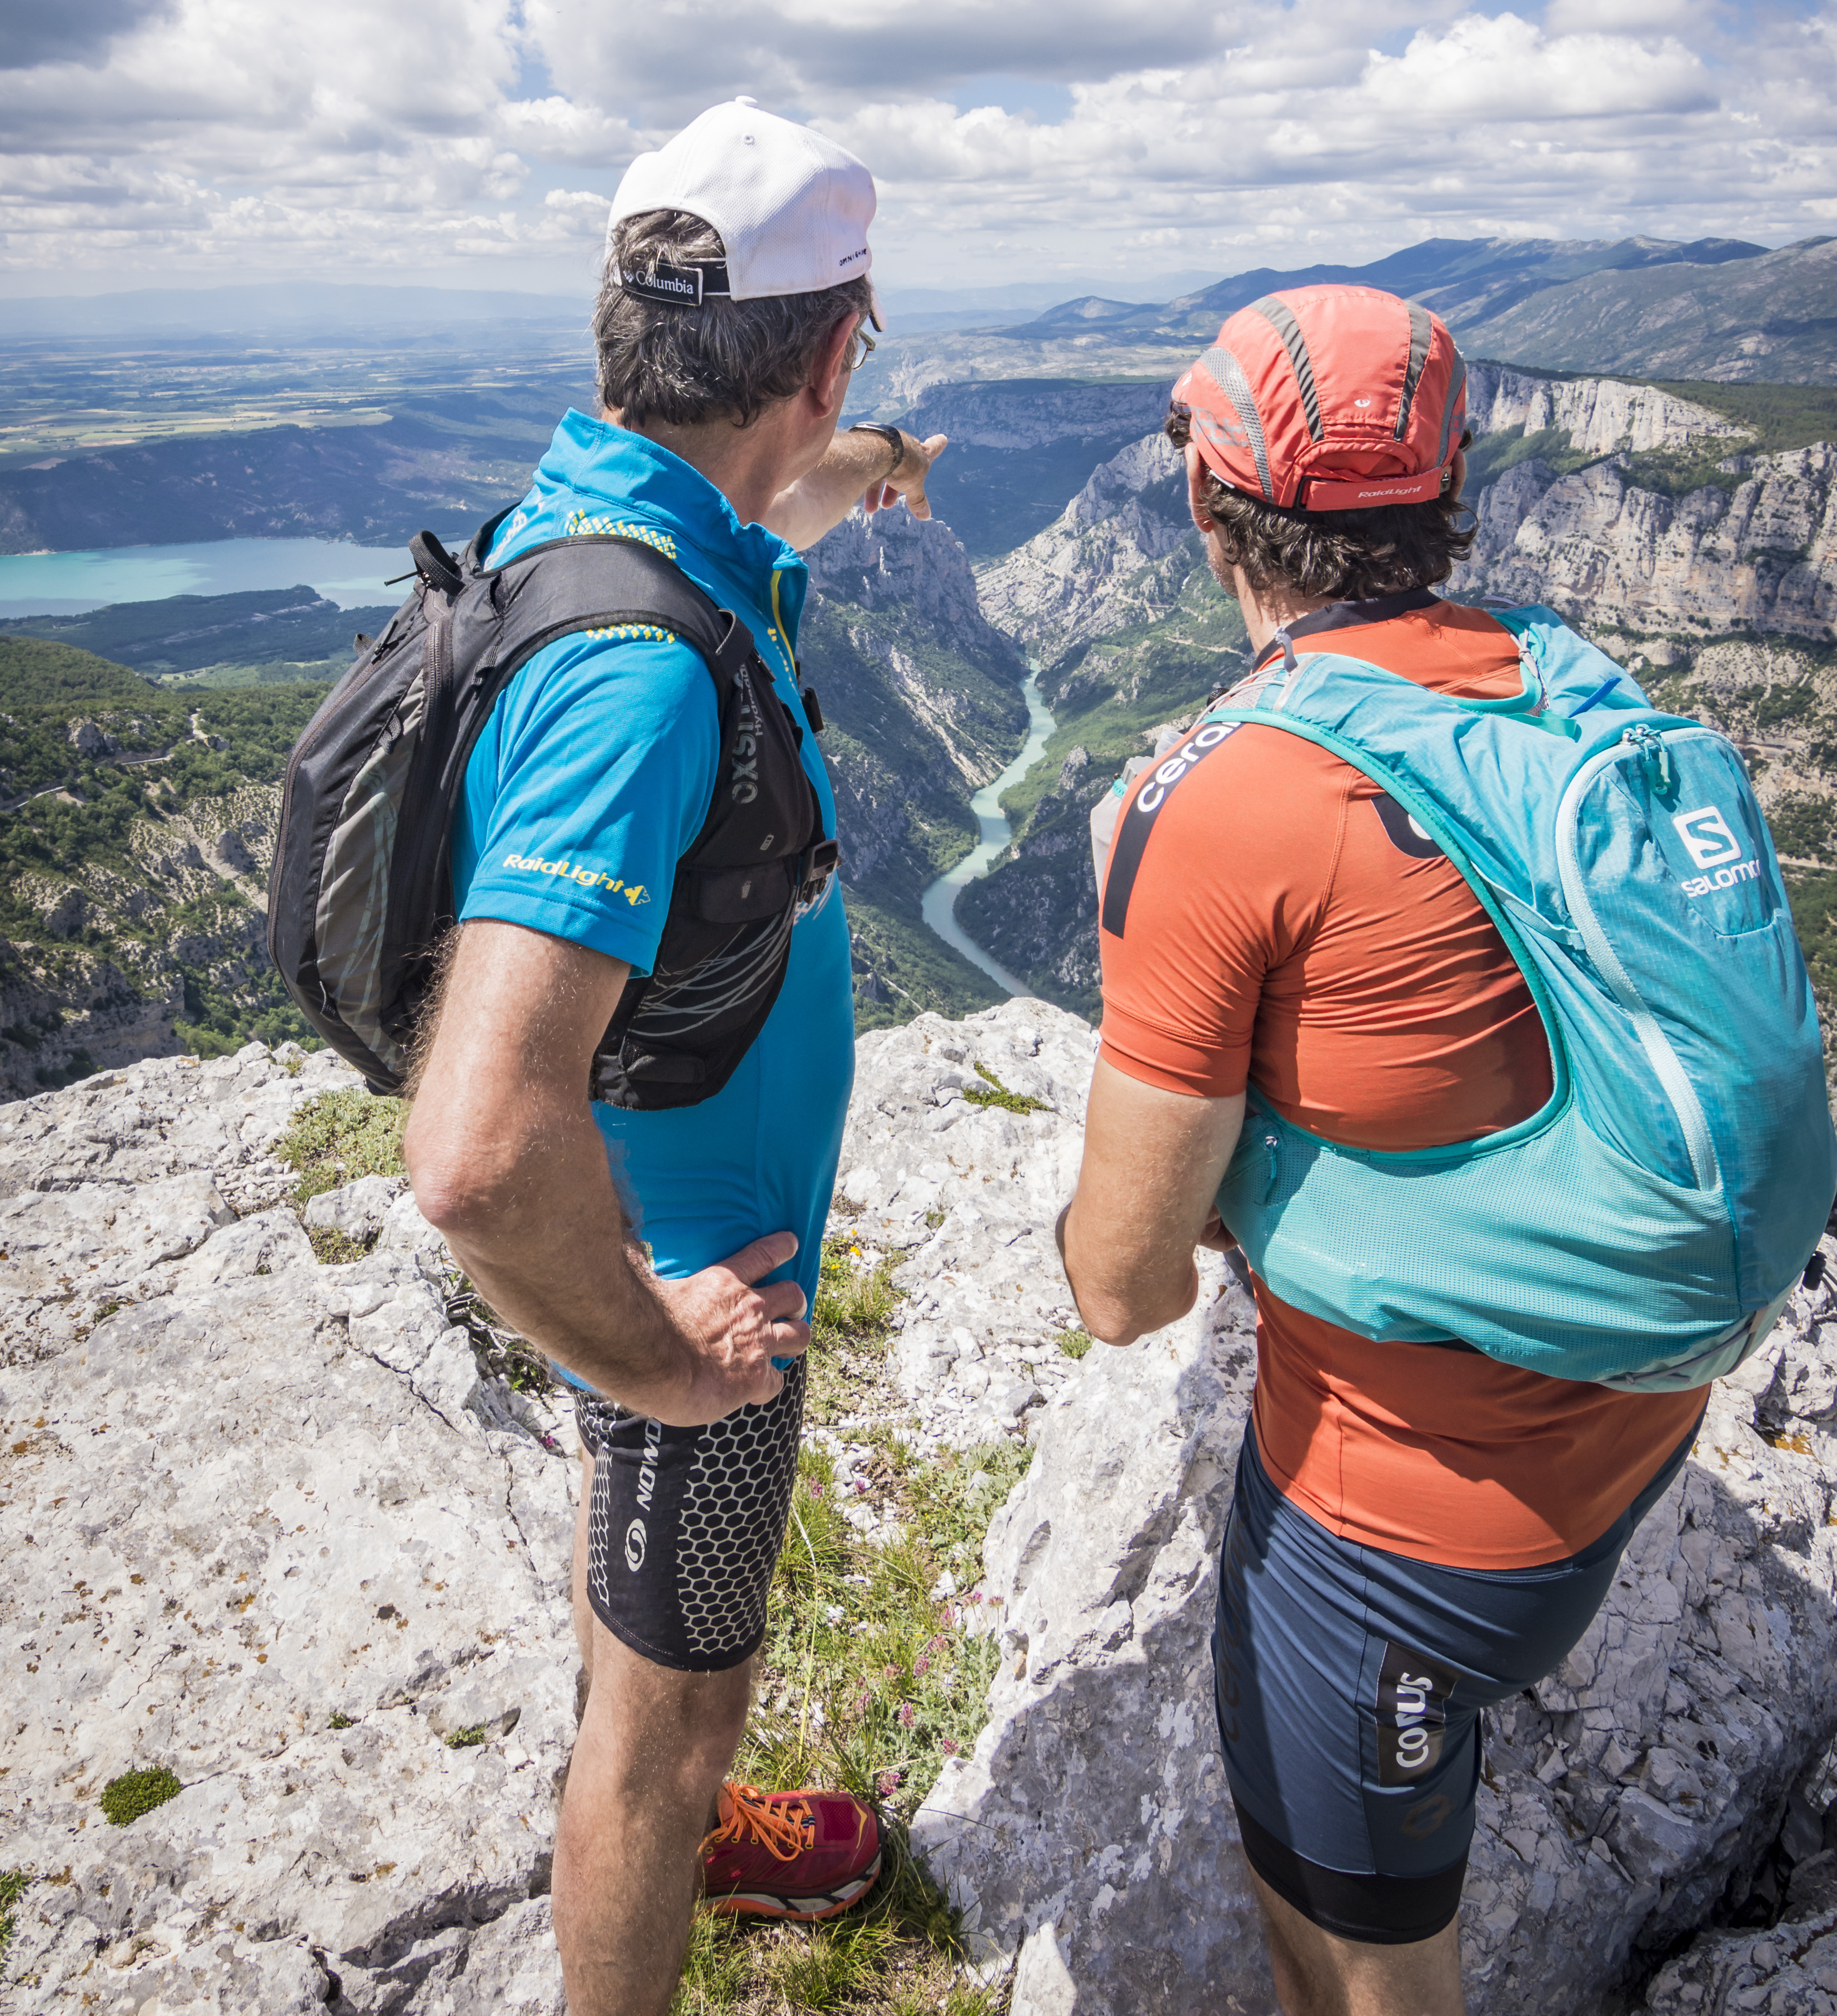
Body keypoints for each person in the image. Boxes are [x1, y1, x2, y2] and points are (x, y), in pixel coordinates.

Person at [1059, 284, 1708, 2016]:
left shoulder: (1223, 803)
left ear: (1207, 508)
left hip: (1394, 1539)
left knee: (1351, 1962)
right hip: (1640, 1413)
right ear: (1455, 496)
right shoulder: (1560, 689)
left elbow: (1118, 1289)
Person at [402, 97, 946, 2016]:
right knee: (664, 1704)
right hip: (693, 1270)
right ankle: (659, 1843)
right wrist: (654, 1351)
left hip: (681, 1209)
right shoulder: (634, 673)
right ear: (822, 345)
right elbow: (471, 1150)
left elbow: (748, 518)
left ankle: (678, 1801)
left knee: (659, 1628)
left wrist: (857, 467)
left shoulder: (629, 507)